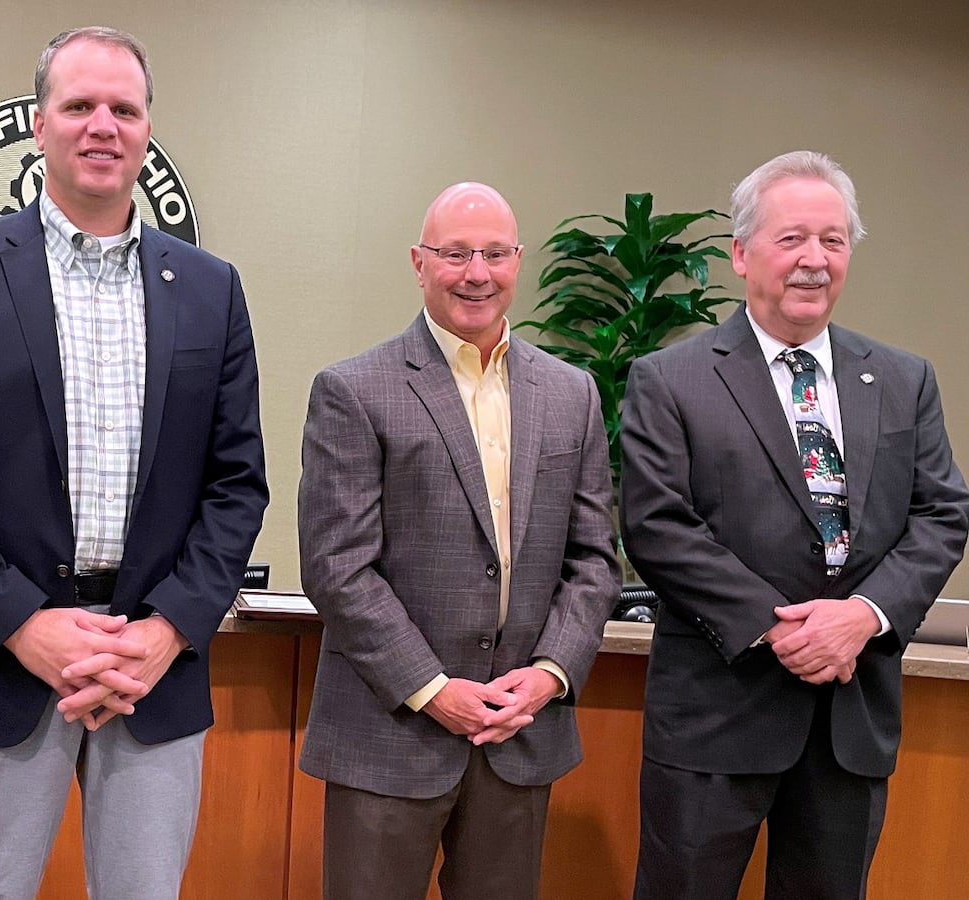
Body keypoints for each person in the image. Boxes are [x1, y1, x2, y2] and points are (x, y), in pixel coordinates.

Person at [0, 26, 267, 900]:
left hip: (151, 670)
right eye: (80, 105)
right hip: (1, 664)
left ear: (147, 130)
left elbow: (237, 484)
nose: (103, 125)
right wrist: (25, 624)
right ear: (39, 123)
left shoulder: (211, 288)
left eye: (123, 109)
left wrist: (166, 631)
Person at [621, 150, 969, 899]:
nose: (815, 259)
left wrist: (861, 617)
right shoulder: (669, 379)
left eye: (833, 240)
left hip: (849, 719)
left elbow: (942, 512)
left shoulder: (903, 379)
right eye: (792, 239)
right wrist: (784, 629)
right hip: (718, 712)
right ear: (742, 254)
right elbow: (657, 525)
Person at [297, 182, 620, 899]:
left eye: (495, 253)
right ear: (419, 262)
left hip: (517, 733)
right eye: (455, 253)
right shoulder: (355, 390)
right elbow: (335, 567)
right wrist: (432, 689)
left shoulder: (573, 394)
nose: (477, 272)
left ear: (518, 260)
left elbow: (595, 558)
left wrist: (550, 674)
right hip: (389, 736)